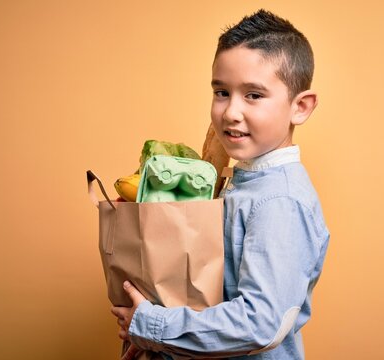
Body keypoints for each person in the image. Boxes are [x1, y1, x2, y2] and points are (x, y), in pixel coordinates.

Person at [111, 9, 330, 359]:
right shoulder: (240, 182)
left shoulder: (280, 201)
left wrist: (152, 324)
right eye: (221, 92)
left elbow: (260, 324)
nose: (230, 112)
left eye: (254, 95)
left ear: (300, 107)